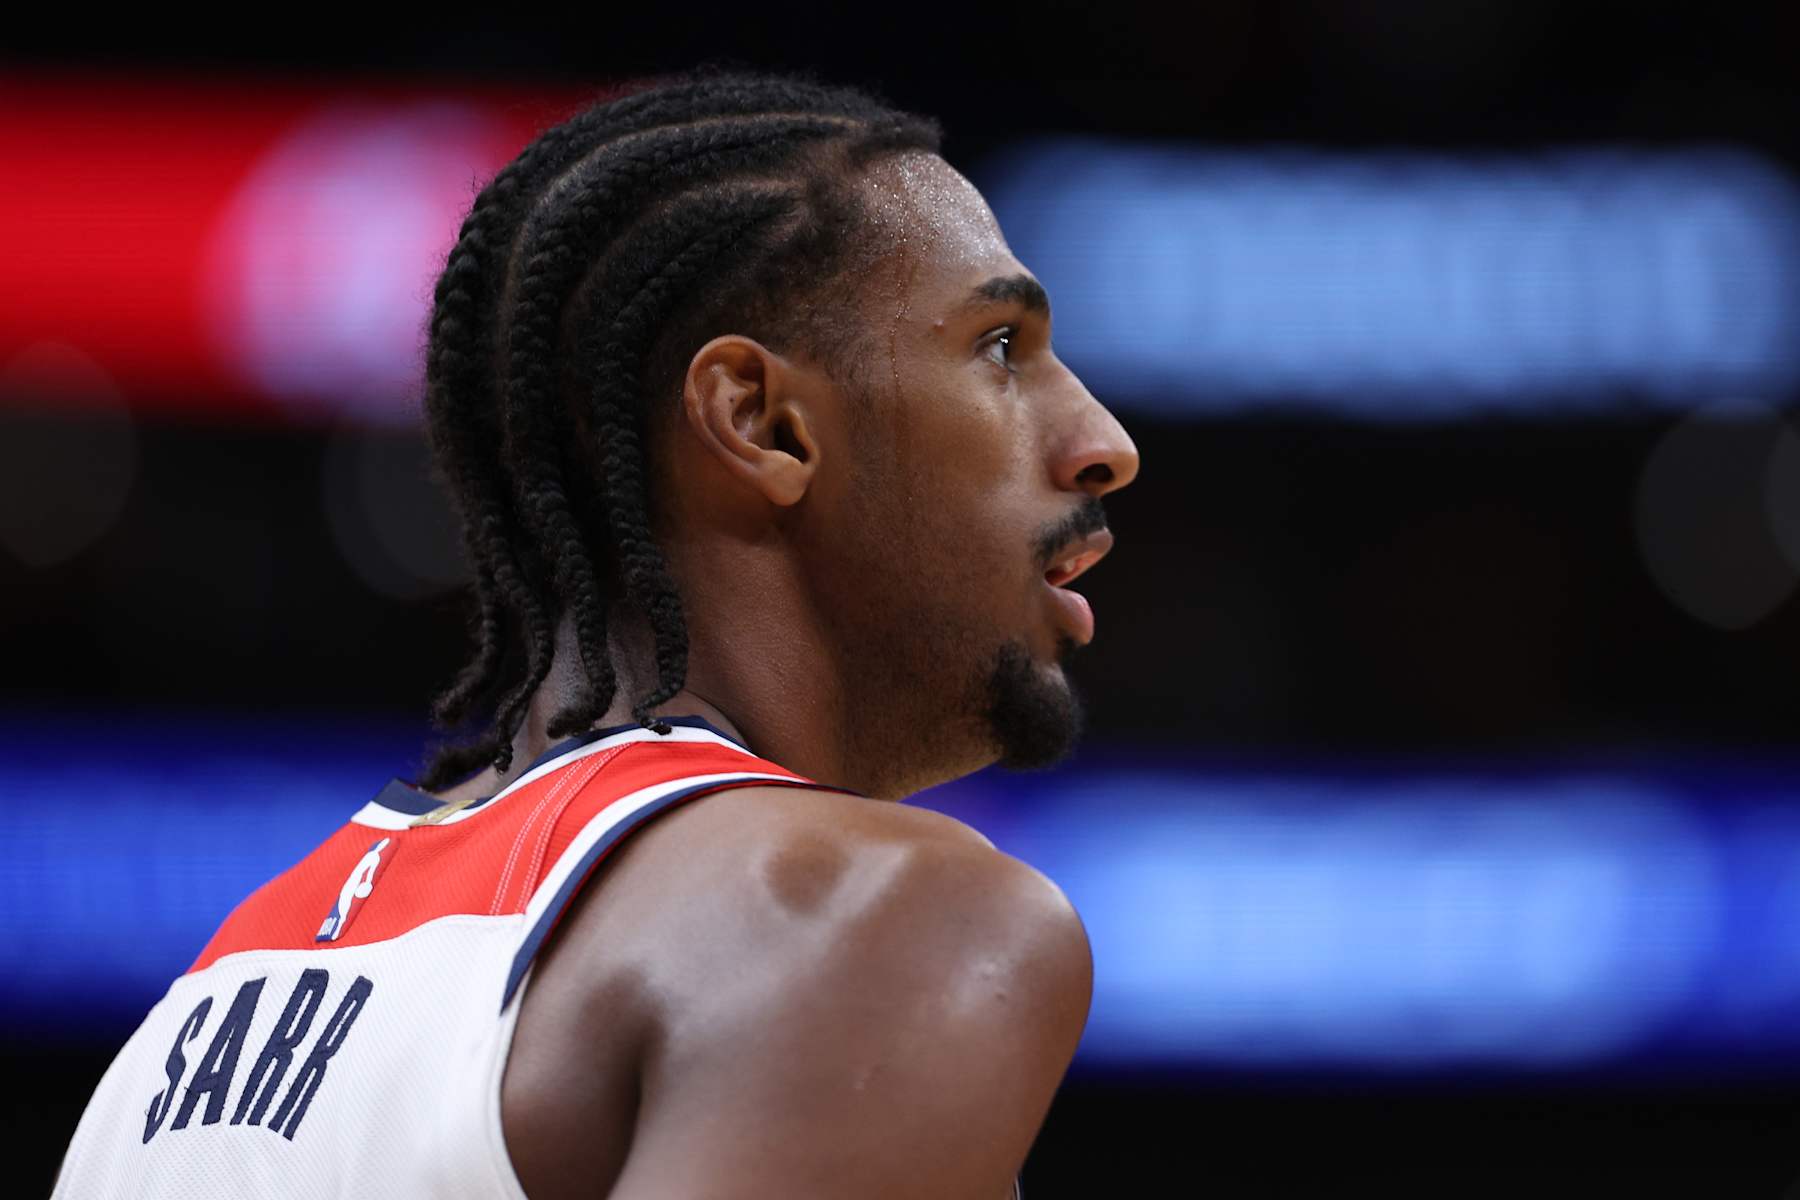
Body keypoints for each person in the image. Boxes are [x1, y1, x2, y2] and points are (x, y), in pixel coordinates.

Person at [53, 69, 1139, 1199]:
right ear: (761, 422)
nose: (1104, 440)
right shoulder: (884, 913)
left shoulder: (200, 1007)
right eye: (1002, 348)